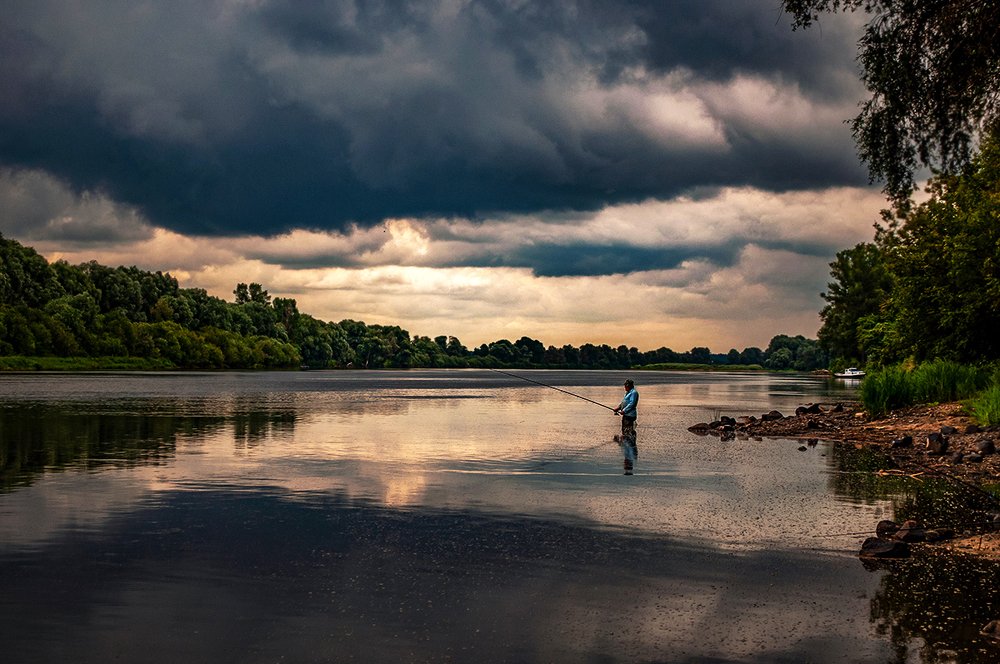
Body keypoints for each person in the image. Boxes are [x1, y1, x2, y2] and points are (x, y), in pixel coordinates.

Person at [613, 379, 639, 473]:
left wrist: (624, 411)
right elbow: (624, 402)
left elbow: (632, 404)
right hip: (626, 415)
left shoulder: (634, 393)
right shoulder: (628, 393)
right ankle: (625, 438)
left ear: (629, 385)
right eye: (625, 464)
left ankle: (629, 438)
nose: (624, 387)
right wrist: (618, 408)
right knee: (625, 432)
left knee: (628, 432)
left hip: (630, 415)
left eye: (625, 385)